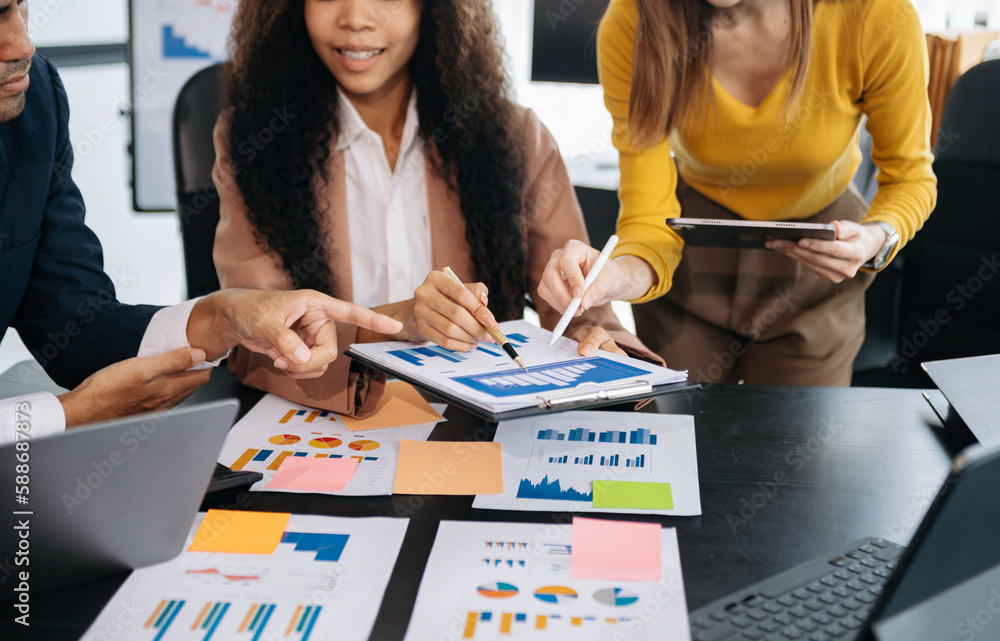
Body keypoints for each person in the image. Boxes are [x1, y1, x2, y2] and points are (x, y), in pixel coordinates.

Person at [212, 0, 661, 416]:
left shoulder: (517, 136)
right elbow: (253, 333)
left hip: (476, 426)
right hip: (328, 420)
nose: (355, 18)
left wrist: (595, 343)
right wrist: (401, 321)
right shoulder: (254, 140)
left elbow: (575, 305)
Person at [0, 0, 402, 444]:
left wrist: (222, 317)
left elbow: (71, 322)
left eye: (19, 7)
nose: (23, 43)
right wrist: (65, 416)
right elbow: (72, 410)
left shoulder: (34, 104)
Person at [538, 0, 937, 386]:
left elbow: (909, 177)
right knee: (679, 436)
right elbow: (648, 222)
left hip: (815, 269)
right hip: (689, 261)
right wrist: (612, 277)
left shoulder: (876, 14)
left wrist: (878, 236)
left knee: (792, 449)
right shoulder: (635, 20)